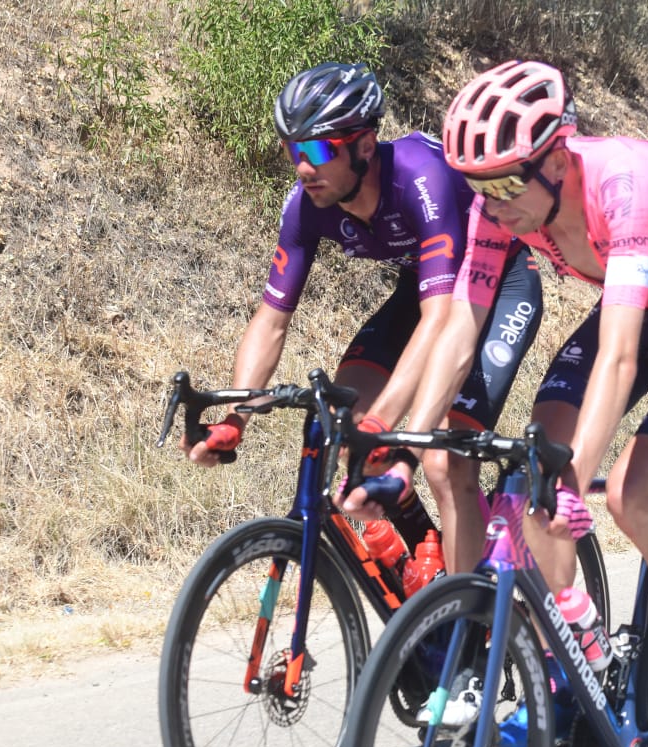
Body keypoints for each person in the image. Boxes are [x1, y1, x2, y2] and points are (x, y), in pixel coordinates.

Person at [394, 60, 648, 747]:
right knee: (535, 461)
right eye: (477, 187)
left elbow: (619, 359)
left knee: (630, 493)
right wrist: (405, 440)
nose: (490, 204)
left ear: (558, 158)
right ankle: (575, 668)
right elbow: (459, 330)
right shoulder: (497, 205)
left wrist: (575, 485)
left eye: (504, 185)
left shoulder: (622, 188)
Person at [184, 62, 543, 580]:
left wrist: (387, 425)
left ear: (365, 146)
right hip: (424, 291)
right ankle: (426, 543)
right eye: (292, 150)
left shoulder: (422, 178)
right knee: (342, 420)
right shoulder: (307, 206)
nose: (302, 167)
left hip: (500, 286)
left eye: (316, 150)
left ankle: (467, 631)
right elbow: (271, 320)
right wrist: (235, 418)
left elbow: (441, 320)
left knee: (445, 462)